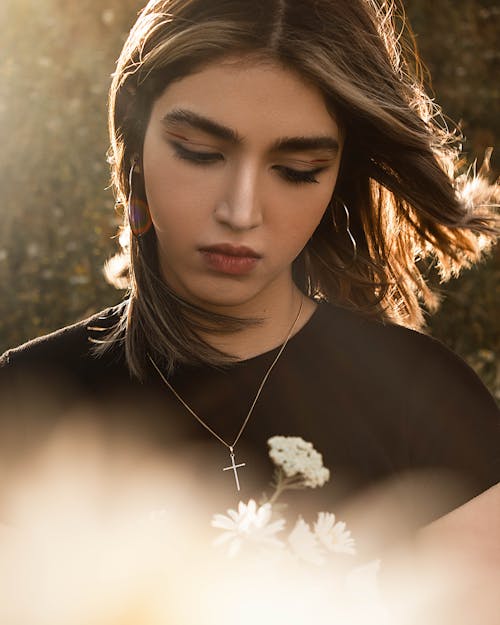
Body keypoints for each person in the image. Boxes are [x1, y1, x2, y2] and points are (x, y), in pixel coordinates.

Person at [0, 0, 498, 523]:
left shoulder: (428, 404)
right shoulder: (23, 400)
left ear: (337, 177)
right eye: (198, 152)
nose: (240, 212)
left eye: (297, 169)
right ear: (134, 145)